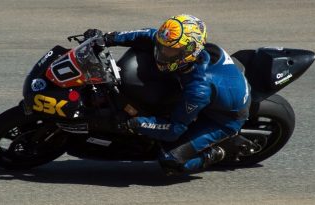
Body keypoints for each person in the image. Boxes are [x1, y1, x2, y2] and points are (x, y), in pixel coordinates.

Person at [85, 14, 251, 175]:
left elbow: (174, 129)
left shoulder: (198, 89)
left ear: (190, 51)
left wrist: (136, 124)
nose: (161, 53)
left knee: (170, 160)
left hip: (224, 119)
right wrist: (107, 38)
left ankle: (216, 153)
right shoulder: (178, 47)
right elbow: (148, 35)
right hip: (220, 88)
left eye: (169, 51)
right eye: (161, 46)